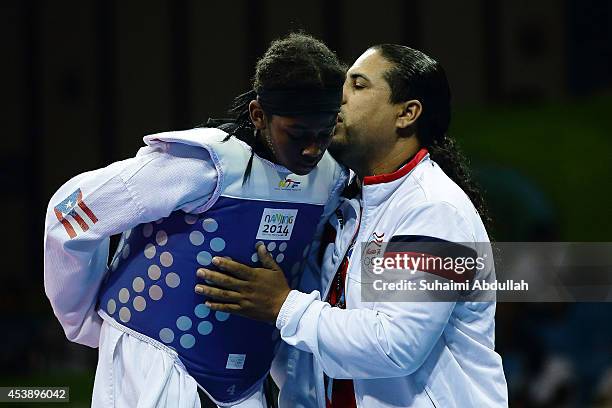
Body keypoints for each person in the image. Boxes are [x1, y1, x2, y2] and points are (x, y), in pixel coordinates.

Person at [195, 44, 509, 407]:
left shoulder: (435, 210)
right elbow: (307, 350)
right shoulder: (344, 205)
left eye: (357, 85)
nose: (337, 96)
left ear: (406, 114)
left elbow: (396, 345)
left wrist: (282, 304)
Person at [43, 33, 347, 408]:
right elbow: (70, 213)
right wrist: (84, 322)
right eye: (298, 133)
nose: (312, 148)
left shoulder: (330, 178)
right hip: (157, 362)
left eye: (325, 132)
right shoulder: (200, 165)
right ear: (258, 114)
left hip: (246, 382)